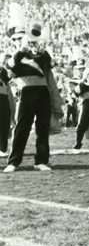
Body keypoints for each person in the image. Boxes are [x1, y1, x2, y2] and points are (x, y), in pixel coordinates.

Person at [5, 26, 52, 172]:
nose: (22, 40)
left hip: (43, 92)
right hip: (26, 92)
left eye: (22, 38)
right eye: (18, 39)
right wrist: (23, 49)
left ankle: (41, 161)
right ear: (13, 41)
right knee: (22, 128)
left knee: (43, 128)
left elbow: (51, 64)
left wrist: (42, 50)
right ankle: (13, 162)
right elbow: (10, 66)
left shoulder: (37, 54)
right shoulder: (11, 55)